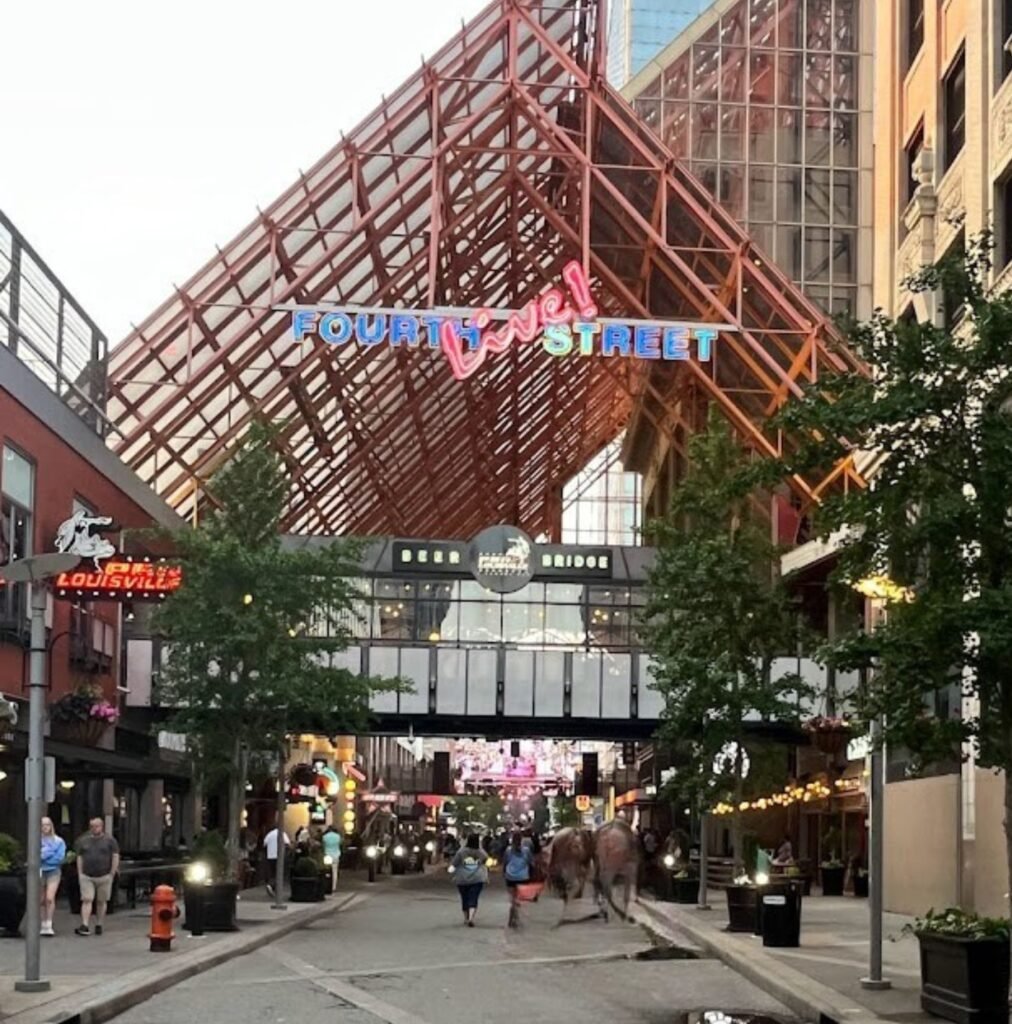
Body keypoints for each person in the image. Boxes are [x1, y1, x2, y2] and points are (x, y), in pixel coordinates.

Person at [74, 817, 119, 936]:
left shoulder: (110, 840)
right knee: (87, 899)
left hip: (104, 875)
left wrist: (112, 873)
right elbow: (79, 856)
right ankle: (85, 924)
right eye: (92, 826)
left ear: (102, 826)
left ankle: (99, 923)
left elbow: (115, 856)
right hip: (87, 875)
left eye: (97, 826)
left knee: (101, 900)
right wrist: (80, 872)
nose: (94, 828)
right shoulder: (84, 841)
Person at [450, 833, 488, 927]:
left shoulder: (461, 851)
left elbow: (454, 863)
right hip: (477, 878)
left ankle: (466, 918)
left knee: (465, 898)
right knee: (473, 898)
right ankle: (471, 918)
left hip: (462, 879)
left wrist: (451, 869)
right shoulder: (481, 852)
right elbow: (487, 860)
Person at [39, 817, 66, 936]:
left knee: (49, 898)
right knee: (41, 899)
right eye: (43, 825)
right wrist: (50, 853)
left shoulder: (58, 841)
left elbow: (59, 858)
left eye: (47, 825)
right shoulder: (36, 840)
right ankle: (42, 922)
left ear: (51, 826)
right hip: (39, 871)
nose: (45, 827)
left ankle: (49, 923)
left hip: (53, 871)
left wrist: (44, 854)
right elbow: (34, 856)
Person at [502, 831, 532, 929]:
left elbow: (505, 863)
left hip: (510, 876)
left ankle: (513, 916)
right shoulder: (526, 850)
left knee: (512, 898)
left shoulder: (508, 850)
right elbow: (531, 863)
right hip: (523, 877)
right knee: (518, 899)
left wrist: (504, 873)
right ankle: (515, 916)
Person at [263, 822, 291, 897]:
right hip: (279, 856)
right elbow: (287, 844)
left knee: (272, 872)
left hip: (270, 856)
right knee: (279, 873)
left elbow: (264, 844)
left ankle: (273, 887)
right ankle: (272, 885)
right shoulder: (282, 834)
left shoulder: (269, 834)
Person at [321, 825, 342, 890]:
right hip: (336, 855)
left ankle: (327, 885)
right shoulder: (338, 836)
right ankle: (334, 886)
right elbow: (340, 844)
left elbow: (323, 846)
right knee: (334, 871)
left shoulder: (324, 837)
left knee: (326, 871)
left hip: (327, 855)